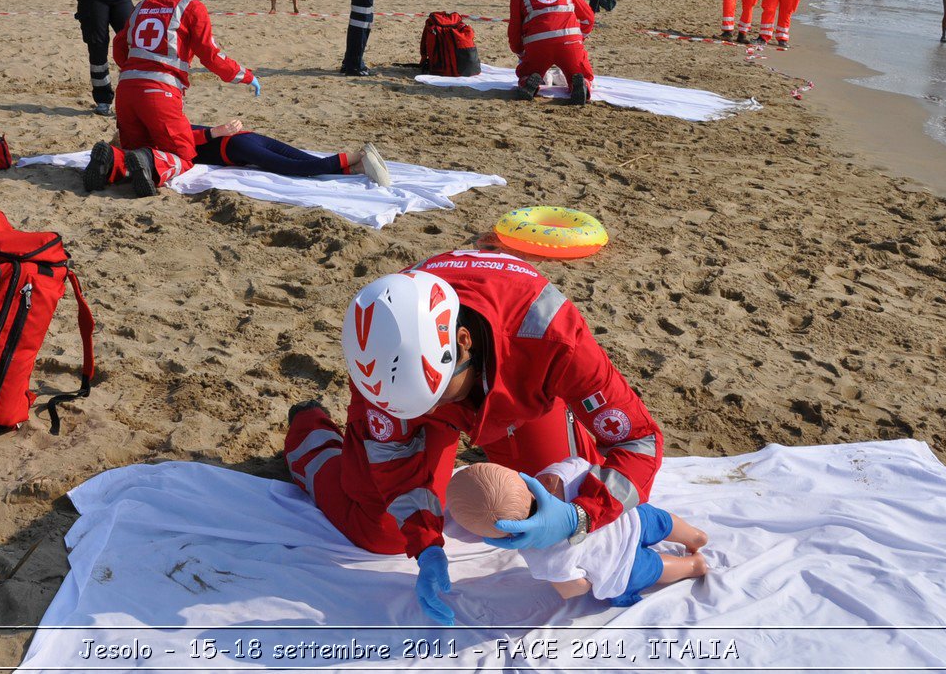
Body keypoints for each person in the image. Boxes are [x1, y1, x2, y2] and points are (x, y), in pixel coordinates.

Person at [283, 250, 666, 625]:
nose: (426, 413)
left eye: (433, 398)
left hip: (517, 389)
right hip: (437, 387)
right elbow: (393, 458)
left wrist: (579, 515)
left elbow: (638, 441)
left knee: (560, 492)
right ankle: (310, 434)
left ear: (463, 341)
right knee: (380, 531)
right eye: (415, 406)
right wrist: (425, 545)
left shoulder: (552, 337)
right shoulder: (380, 358)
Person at [81, 0, 261, 196]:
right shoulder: (191, 6)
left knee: (138, 150)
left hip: (126, 92)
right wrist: (245, 75)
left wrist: (137, 72)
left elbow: (120, 47)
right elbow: (211, 55)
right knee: (184, 156)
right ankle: (146, 161)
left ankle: (110, 160)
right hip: (160, 93)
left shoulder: (142, 5)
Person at [445, 459, 707, 605]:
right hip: (631, 518)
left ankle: (693, 566)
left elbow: (574, 589)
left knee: (656, 567)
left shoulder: (540, 554)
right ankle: (696, 536)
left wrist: (583, 580)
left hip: (622, 565)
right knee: (663, 521)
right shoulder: (558, 479)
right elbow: (581, 463)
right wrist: (554, 476)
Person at [87, 115, 391, 192]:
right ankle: (356, 168)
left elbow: (190, 140)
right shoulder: (162, 126)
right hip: (243, 140)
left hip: (234, 146)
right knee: (303, 161)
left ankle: (357, 155)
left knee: (296, 169)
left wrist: (214, 133)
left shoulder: (160, 139)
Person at [509, 0, 595, 104]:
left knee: (526, 74)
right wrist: (580, 38)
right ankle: (581, 85)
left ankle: (528, 83)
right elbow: (588, 18)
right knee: (582, 74)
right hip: (569, 42)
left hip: (538, 46)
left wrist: (520, 53)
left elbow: (514, 32)